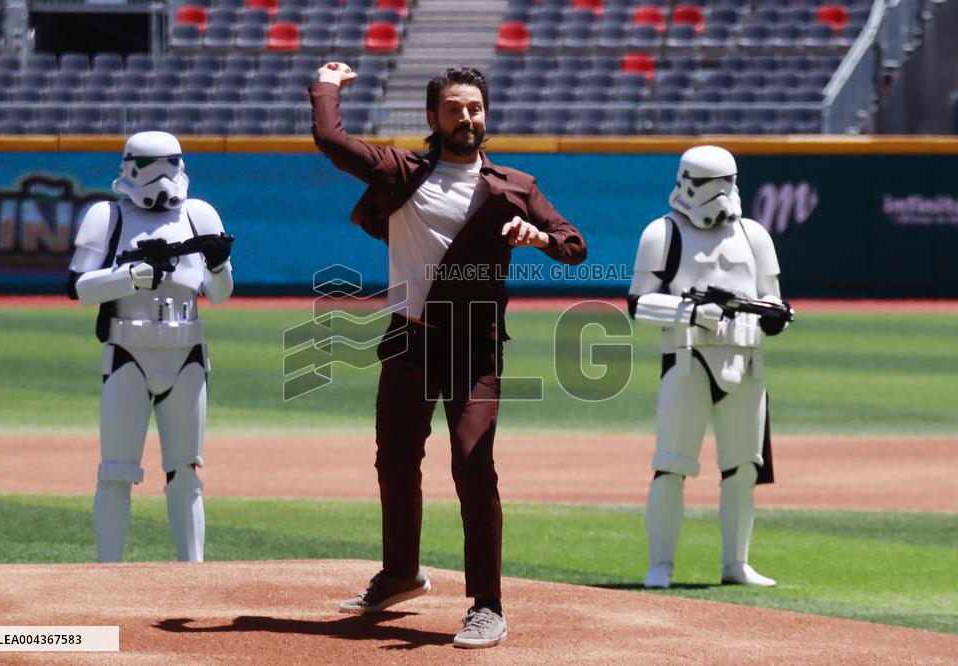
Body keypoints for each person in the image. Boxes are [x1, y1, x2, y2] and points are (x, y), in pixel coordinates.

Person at [310, 62, 586, 648]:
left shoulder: (515, 186)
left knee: (472, 463)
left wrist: (538, 237)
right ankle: (399, 575)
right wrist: (328, 84)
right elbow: (332, 141)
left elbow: (575, 246)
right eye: (456, 109)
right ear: (433, 118)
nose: (468, 118)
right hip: (408, 339)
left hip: (474, 347)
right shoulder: (403, 170)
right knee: (395, 461)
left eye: (476, 108)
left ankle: (488, 605)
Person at [627, 145, 793, 590]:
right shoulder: (662, 234)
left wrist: (775, 315)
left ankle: (736, 563)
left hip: (748, 361)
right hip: (687, 360)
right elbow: (639, 304)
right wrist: (692, 312)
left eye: (727, 185)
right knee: (672, 464)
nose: (720, 196)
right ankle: (660, 564)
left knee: (742, 467)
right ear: (686, 184)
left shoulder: (754, 234)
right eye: (709, 185)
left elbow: (770, 298)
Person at [67, 131, 234, 563]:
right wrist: (134, 276)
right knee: (116, 471)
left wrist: (216, 262)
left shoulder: (199, 215)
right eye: (148, 165)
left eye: (169, 163)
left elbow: (218, 293)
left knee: (186, 475)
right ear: (129, 168)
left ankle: (191, 575)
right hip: (128, 352)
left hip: (187, 353)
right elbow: (78, 287)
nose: (160, 176)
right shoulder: (108, 216)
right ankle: (108, 574)